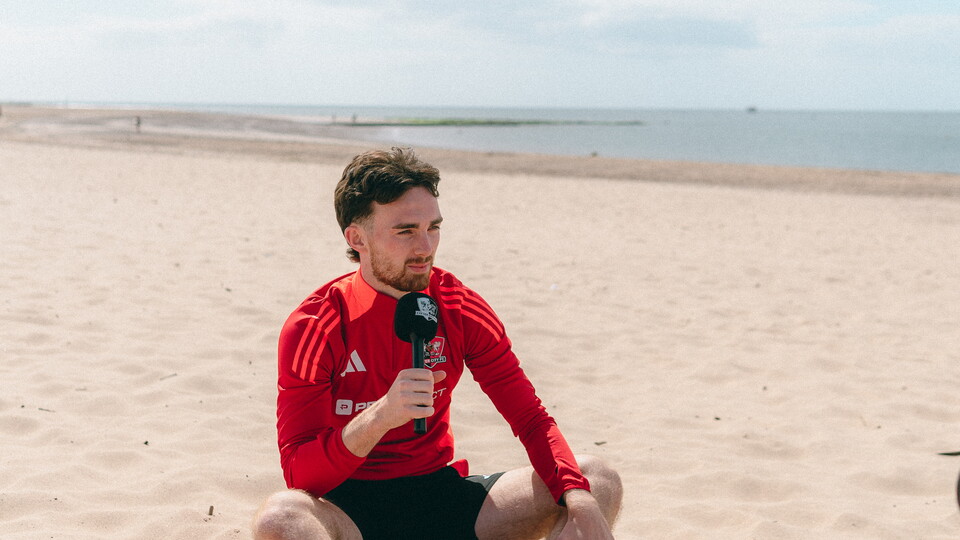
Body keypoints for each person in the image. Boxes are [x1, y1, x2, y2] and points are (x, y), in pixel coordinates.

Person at [253, 148, 622, 539]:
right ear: (356, 237)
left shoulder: (458, 306)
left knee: (594, 479)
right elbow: (299, 471)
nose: (426, 246)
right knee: (281, 517)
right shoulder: (316, 324)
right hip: (350, 509)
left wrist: (576, 496)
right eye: (406, 230)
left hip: (441, 497)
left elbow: (530, 418)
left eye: (434, 227)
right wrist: (379, 417)